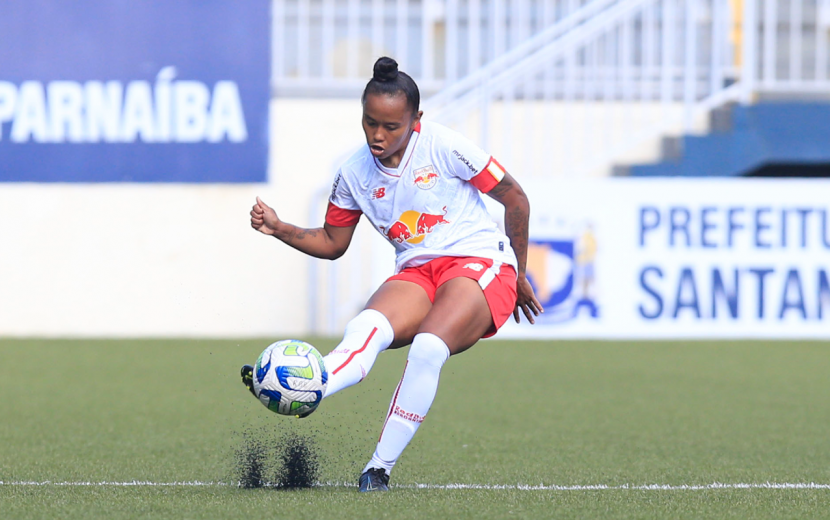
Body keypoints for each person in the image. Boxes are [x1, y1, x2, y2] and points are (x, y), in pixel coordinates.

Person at [244, 56, 541, 492]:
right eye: (370, 123)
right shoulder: (353, 172)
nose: (378, 135)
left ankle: (378, 468)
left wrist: (518, 273)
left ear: (416, 121)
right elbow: (332, 242)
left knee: (427, 348)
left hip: (479, 260)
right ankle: (308, 388)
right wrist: (280, 228)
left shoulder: (445, 146)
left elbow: (515, 198)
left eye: (391, 126)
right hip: (418, 269)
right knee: (365, 328)